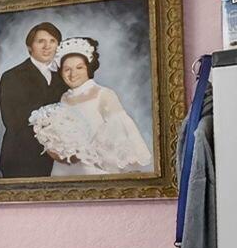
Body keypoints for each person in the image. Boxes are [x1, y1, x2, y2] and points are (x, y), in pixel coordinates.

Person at [38, 37, 154, 176]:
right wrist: (55, 147)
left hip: (93, 168)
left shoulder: (103, 94)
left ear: (88, 68)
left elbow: (119, 134)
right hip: (64, 168)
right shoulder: (64, 98)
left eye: (79, 67)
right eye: (67, 69)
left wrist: (83, 153)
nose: (73, 74)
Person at [0, 21, 64, 177]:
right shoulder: (12, 76)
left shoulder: (63, 75)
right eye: (41, 41)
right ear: (29, 47)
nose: (47, 46)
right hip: (21, 158)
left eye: (52, 41)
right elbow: (12, 120)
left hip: (57, 159)